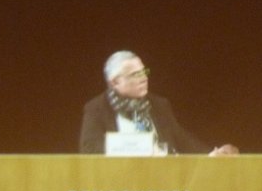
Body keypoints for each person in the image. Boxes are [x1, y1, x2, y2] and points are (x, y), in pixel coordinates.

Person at [80, 50, 239, 155]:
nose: (144, 78)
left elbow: (180, 138)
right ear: (115, 82)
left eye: (144, 71)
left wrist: (210, 154)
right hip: (118, 181)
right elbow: (90, 149)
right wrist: (138, 147)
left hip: (162, 180)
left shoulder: (159, 105)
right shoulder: (97, 108)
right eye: (135, 75)